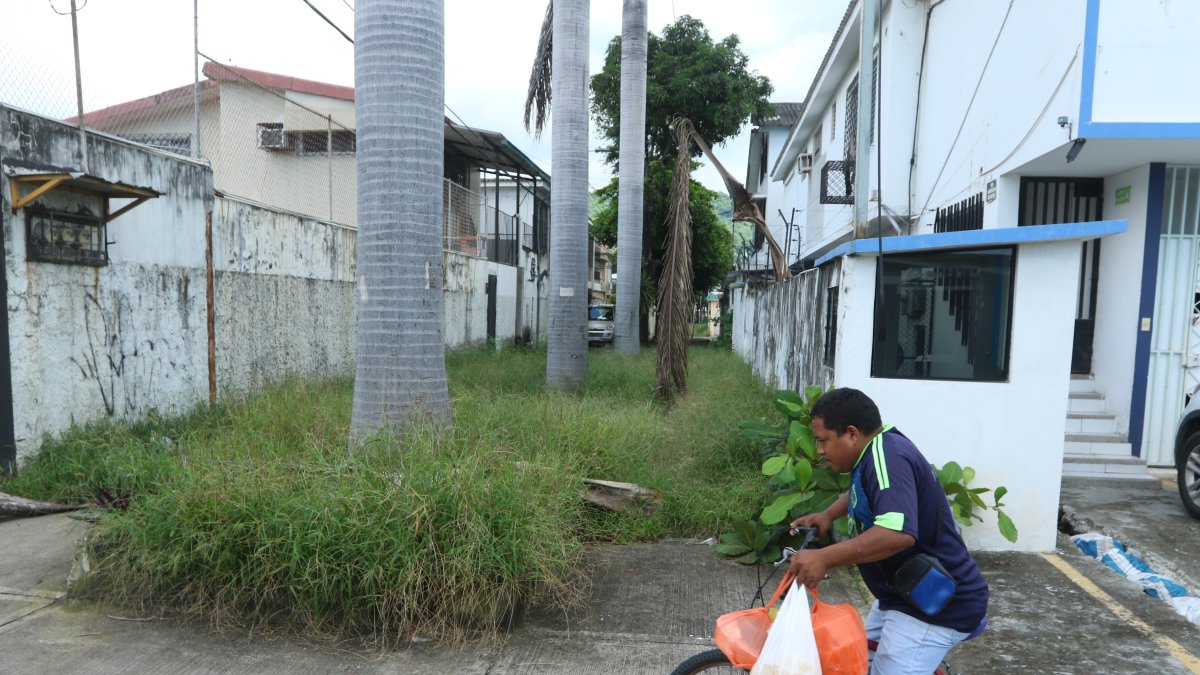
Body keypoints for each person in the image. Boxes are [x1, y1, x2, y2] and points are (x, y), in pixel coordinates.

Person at [786, 387, 988, 675]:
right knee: (854, 662)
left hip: (937, 606)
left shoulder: (887, 457)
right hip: (904, 595)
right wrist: (829, 514)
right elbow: (871, 492)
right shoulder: (877, 449)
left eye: (823, 441)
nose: (819, 451)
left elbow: (897, 533)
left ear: (852, 434)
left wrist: (825, 557)